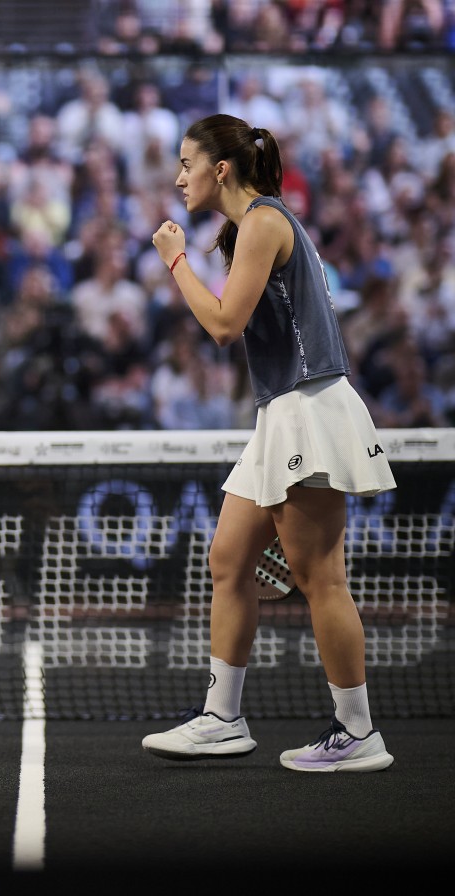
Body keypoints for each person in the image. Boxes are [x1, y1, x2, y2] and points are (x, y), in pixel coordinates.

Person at [145, 114, 397, 773]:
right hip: (281, 413)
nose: (179, 178)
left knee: (321, 578)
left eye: (186, 164)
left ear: (219, 169)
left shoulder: (262, 221)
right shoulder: (249, 228)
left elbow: (224, 326)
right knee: (229, 560)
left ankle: (358, 731)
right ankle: (223, 719)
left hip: (309, 410)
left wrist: (176, 260)